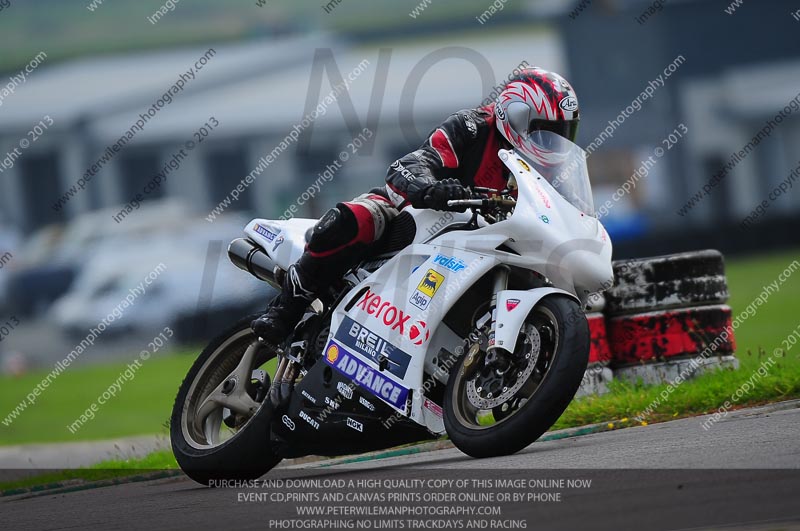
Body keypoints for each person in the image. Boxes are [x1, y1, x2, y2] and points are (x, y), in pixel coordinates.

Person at [251, 67, 581, 346]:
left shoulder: (549, 172)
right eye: (545, 131)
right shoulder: (472, 126)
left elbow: (564, 212)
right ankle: (285, 310)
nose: (552, 143)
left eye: (561, 133)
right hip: (423, 216)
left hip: (490, 245)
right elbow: (411, 164)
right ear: (517, 115)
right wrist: (432, 188)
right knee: (358, 218)